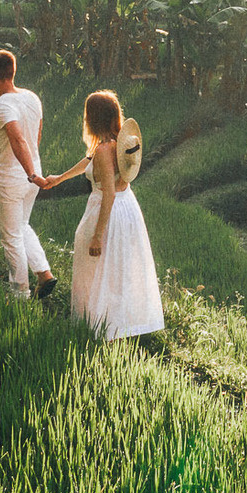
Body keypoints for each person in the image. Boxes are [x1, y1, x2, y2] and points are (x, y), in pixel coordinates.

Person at [39, 90, 164, 339]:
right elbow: (88, 161)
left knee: (96, 267)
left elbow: (107, 193)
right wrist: (60, 178)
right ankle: (120, 323)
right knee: (119, 268)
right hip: (127, 208)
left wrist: (98, 234)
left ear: (92, 119)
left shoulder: (105, 151)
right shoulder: (120, 144)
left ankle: (98, 326)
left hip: (109, 210)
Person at [0, 49, 56, 301]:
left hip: (11, 180)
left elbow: (18, 139)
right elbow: (36, 135)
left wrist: (31, 174)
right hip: (31, 177)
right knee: (21, 226)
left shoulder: (2, 105)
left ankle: (19, 295)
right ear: (13, 71)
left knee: (11, 238)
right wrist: (35, 173)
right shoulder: (31, 98)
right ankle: (44, 273)